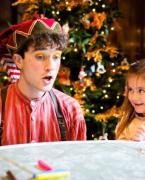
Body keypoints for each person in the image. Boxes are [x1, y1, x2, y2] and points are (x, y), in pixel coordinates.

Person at [0, 17, 86, 145]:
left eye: (56, 57)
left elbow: (78, 161)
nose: (50, 66)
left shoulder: (70, 110)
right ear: (18, 60)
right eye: (40, 57)